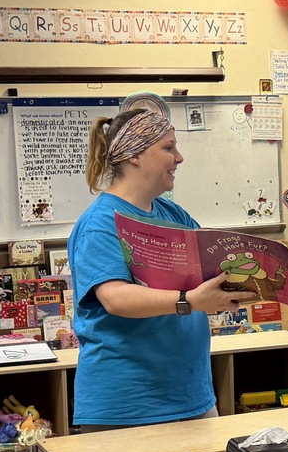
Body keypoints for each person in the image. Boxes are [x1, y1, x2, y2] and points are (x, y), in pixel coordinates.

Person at [69, 109, 247, 431]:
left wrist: (236, 284)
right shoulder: (100, 224)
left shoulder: (171, 213)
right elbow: (115, 299)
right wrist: (190, 301)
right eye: (168, 148)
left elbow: (205, 270)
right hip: (127, 406)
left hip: (192, 397)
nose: (179, 158)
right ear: (135, 154)